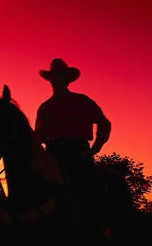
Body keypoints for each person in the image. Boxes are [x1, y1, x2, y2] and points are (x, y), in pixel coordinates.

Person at [34, 58, 111, 222]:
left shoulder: (82, 101)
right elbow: (38, 137)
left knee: (92, 191)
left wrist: (94, 149)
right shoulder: (45, 107)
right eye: (54, 77)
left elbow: (104, 124)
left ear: (67, 80)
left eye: (61, 76)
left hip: (78, 153)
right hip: (52, 155)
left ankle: (100, 224)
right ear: (51, 80)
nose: (56, 80)